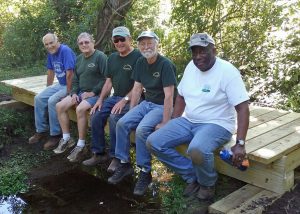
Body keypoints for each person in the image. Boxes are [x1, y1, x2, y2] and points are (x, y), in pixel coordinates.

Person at [147, 33, 250, 200]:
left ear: (214, 50)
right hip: (189, 120)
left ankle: (207, 184)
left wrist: (240, 143)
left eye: (203, 51)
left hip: (217, 123)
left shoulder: (228, 71)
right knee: (154, 142)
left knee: (197, 149)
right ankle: (191, 175)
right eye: (194, 52)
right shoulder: (191, 67)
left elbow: (243, 107)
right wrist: (173, 121)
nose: (198, 56)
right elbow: (180, 96)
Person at [107, 31, 177, 196]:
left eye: (149, 43)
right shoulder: (140, 62)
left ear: (156, 44)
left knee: (141, 130)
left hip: (160, 106)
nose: (146, 47)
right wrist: (131, 113)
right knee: (122, 122)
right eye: (142, 44)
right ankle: (124, 164)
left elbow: (169, 96)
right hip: (146, 103)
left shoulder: (165, 64)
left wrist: (166, 122)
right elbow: (137, 88)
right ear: (138, 46)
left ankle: (145, 172)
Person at [82, 26, 142, 172]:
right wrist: (100, 100)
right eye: (116, 40)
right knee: (96, 114)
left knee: (115, 117)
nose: (119, 43)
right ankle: (99, 153)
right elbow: (108, 82)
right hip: (115, 97)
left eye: (122, 39)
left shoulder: (139, 57)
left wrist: (125, 99)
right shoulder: (112, 58)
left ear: (129, 39)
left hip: (134, 98)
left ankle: (117, 157)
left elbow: (138, 85)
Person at [53, 32, 107, 162]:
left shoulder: (101, 57)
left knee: (80, 109)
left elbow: (106, 79)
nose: (84, 45)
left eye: (86, 42)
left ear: (92, 42)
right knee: (59, 106)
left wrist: (93, 92)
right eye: (81, 43)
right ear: (78, 45)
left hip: (98, 94)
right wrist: (74, 93)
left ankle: (81, 145)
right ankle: (66, 138)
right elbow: (75, 80)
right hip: (81, 92)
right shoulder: (79, 59)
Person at [28, 33, 76, 150]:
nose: (49, 46)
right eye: (46, 44)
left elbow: (70, 74)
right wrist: (48, 88)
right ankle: (41, 130)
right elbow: (50, 71)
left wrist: (69, 92)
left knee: (52, 101)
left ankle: (55, 135)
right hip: (60, 84)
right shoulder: (51, 53)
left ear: (57, 41)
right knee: (38, 98)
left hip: (71, 84)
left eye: (51, 43)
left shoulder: (65, 51)